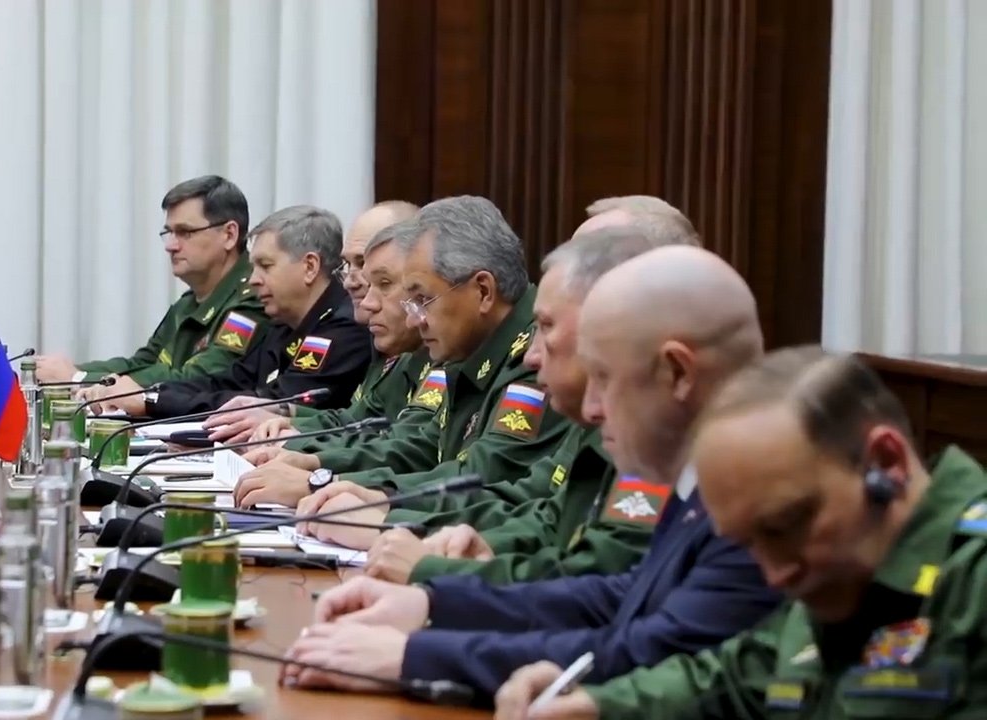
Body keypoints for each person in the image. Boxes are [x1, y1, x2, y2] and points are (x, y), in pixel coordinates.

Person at [280, 245, 781, 702]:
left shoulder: (760, 498)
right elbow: (618, 598)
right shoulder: (706, 475)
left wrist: (415, 656)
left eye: (605, 378)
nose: (591, 408)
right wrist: (432, 602)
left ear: (678, 373)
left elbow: (649, 646)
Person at [499, 347, 987, 719]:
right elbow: (730, 679)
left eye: (782, 527)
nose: (774, 575)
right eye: (749, 543)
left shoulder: (972, 581)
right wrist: (594, 703)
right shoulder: (833, 573)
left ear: (886, 463)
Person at [365, 204, 705, 584]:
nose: (533, 354)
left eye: (547, 326)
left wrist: (430, 563)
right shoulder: (612, 410)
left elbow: (598, 580)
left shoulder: (662, 430)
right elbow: (548, 518)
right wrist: (469, 545)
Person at [231, 196, 570, 525]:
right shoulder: (469, 347)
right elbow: (423, 445)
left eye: (422, 299)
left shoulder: (534, 360)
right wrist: (316, 463)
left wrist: (333, 486)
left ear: (482, 291)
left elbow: (483, 477)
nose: (412, 318)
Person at [81, 205, 372, 416]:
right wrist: (147, 393)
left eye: (266, 266)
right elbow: (230, 380)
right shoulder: (285, 321)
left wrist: (152, 402)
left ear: (309, 267)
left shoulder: (345, 326)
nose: (254, 279)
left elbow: (273, 403)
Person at [203, 201, 421, 443]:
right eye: (349, 265)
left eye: (383, 281)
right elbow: (354, 421)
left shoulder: (354, 330)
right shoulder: (387, 348)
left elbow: (404, 448)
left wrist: (304, 449)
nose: (350, 282)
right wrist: (285, 414)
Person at [34, 175, 270, 384]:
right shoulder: (189, 302)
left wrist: (77, 379)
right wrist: (72, 373)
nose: (171, 246)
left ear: (229, 235)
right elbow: (143, 363)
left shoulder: (253, 298)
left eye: (185, 232)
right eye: (169, 233)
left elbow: (200, 379)